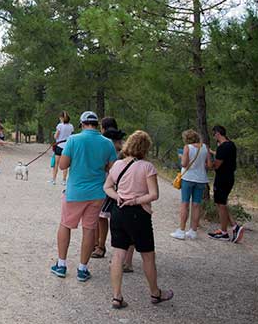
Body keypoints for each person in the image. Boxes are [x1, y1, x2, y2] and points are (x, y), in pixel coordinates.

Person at [103, 130, 173, 309]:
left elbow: (107, 187)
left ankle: (117, 296)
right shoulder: (147, 167)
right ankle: (155, 292)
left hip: (118, 211)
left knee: (118, 254)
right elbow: (153, 194)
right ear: (145, 148)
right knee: (148, 255)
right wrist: (135, 200)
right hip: (138, 214)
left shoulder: (117, 164)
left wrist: (118, 196)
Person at [50, 111, 117, 282]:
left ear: (82, 124)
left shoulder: (74, 140)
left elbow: (64, 165)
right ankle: (82, 268)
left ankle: (62, 264)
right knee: (89, 229)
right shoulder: (107, 143)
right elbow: (112, 168)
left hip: (75, 191)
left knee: (65, 225)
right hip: (97, 193)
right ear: (97, 124)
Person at [93, 117, 127, 261]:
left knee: (102, 217)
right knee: (100, 217)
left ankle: (100, 246)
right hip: (108, 186)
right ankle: (98, 245)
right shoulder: (112, 146)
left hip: (109, 188)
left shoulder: (111, 147)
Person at [171, 129, 212, 240]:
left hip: (188, 178)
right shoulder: (205, 147)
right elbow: (209, 164)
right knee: (196, 205)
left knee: (185, 204)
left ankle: (181, 230)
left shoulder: (187, 148)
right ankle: (193, 231)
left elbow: (184, 163)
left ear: (187, 139)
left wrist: (181, 157)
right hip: (201, 179)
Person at [208, 125, 244, 242]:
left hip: (222, 178)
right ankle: (229, 228)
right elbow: (225, 157)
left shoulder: (222, 148)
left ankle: (227, 231)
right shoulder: (231, 145)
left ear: (218, 133)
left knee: (221, 204)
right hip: (229, 177)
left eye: (214, 135)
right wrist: (213, 152)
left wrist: (207, 163)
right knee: (221, 203)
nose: (214, 137)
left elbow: (216, 165)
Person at [50, 111, 74, 185]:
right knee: (66, 164)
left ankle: (54, 179)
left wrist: (54, 135)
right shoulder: (71, 126)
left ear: (62, 118)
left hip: (59, 146)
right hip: (67, 146)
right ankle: (64, 180)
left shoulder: (60, 126)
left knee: (56, 164)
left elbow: (56, 136)